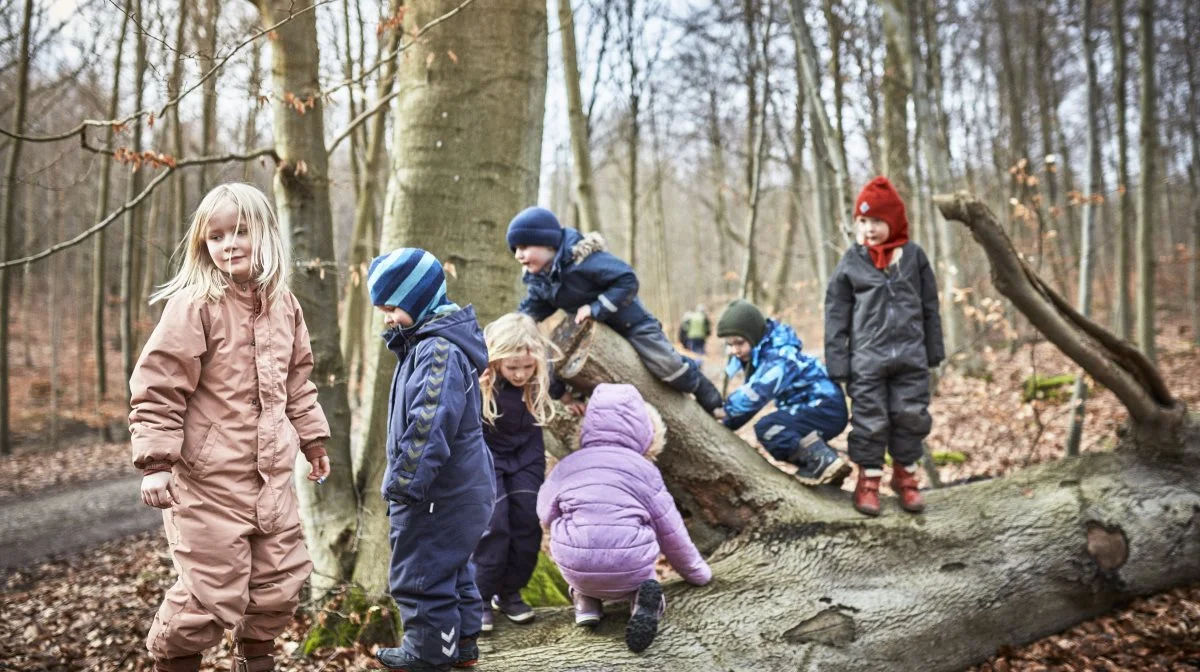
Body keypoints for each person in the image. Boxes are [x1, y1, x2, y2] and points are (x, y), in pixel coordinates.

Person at [129, 183, 330, 672]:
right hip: (207, 484)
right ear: (203, 245)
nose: (229, 244)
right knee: (206, 594)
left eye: (240, 231)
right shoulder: (196, 304)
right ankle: (175, 663)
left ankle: (255, 661)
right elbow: (160, 384)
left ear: (267, 235)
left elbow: (297, 381)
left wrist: (313, 439)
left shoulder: (285, 306)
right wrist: (156, 463)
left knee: (278, 585)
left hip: (272, 480)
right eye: (215, 237)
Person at [368, 248, 495, 672]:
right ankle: (461, 647)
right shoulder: (428, 345)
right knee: (451, 567)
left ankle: (427, 655)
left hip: (436, 490)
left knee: (421, 573)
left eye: (393, 307)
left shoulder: (437, 350)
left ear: (419, 299)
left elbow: (428, 424)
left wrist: (404, 484)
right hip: (456, 489)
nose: (387, 318)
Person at [537, 383, 713, 654]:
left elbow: (544, 513)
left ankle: (586, 603)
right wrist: (696, 572)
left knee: (575, 541)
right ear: (647, 432)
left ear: (588, 427)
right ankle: (642, 600)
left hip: (575, 565)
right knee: (638, 550)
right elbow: (671, 531)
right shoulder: (645, 471)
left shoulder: (571, 463)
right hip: (629, 567)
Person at [506, 207, 724, 415]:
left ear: (548, 245)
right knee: (565, 366)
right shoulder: (542, 280)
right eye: (515, 249)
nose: (518, 255)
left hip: (631, 324)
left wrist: (596, 308)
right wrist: (516, 326)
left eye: (524, 247)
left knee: (667, 366)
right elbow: (535, 306)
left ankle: (703, 389)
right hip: (590, 338)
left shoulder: (582, 260)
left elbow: (626, 279)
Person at [825, 176, 944, 517]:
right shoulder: (852, 262)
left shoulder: (913, 257)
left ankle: (905, 477)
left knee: (911, 416)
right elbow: (836, 315)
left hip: (911, 356)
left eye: (877, 221)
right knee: (869, 420)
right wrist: (838, 363)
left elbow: (929, 306)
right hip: (867, 360)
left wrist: (933, 351)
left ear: (893, 222)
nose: (869, 229)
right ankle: (869, 481)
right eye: (863, 221)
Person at [473, 313, 583, 631]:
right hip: (488, 458)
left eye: (527, 366)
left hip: (526, 456)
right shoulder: (478, 378)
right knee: (494, 526)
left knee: (526, 523)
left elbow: (564, 382)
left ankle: (510, 592)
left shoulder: (541, 372)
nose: (521, 374)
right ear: (495, 360)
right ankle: (479, 597)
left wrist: (569, 399)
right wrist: (476, 389)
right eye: (512, 368)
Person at [717, 299, 850, 485]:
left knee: (769, 428)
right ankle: (830, 467)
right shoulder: (765, 352)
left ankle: (821, 461)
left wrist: (725, 412)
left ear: (754, 336)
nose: (734, 350)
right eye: (729, 344)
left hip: (824, 406)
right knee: (780, 425)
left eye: (739, 343)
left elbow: (757, 392)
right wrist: (728, 422)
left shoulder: (780, 355)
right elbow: (751, 401)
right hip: (815, 407)